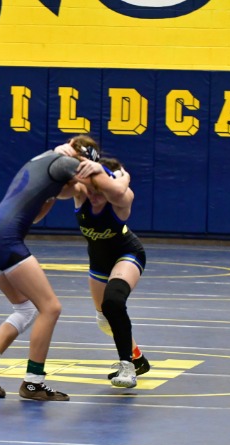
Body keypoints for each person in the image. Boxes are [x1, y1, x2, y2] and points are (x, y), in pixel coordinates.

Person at [0, 134, 104, 401]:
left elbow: (37, 215)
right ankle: (33, 383)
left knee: (25, 309)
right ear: (82, 158)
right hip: (5, 238)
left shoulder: (43, 161)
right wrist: (108, 173)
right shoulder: (64, 161)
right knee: (50, 308)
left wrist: (59, 192)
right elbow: (97, 184)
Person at [55, 153, 149, 388]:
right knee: (105, 321)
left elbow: (121, 187)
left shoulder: (121, 199)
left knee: (113, 302)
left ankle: (127, 367)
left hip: (127, 253)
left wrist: (121, 177)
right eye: (91, 189)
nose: (94, 196)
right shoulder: (80, 192)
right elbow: (57, 187)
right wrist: (67, 156)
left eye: (101, 190)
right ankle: (138, 359)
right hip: (98, 260)